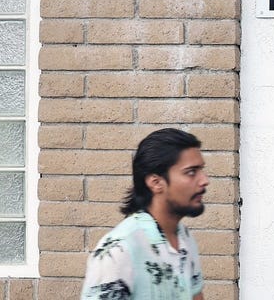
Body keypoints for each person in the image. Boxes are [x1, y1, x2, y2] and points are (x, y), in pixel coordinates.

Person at [81, 128, 209, 300]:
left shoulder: (184, 237)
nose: (204, 180)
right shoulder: (119, 251)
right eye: (191, 172)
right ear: (156, 183)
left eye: (201, 170)